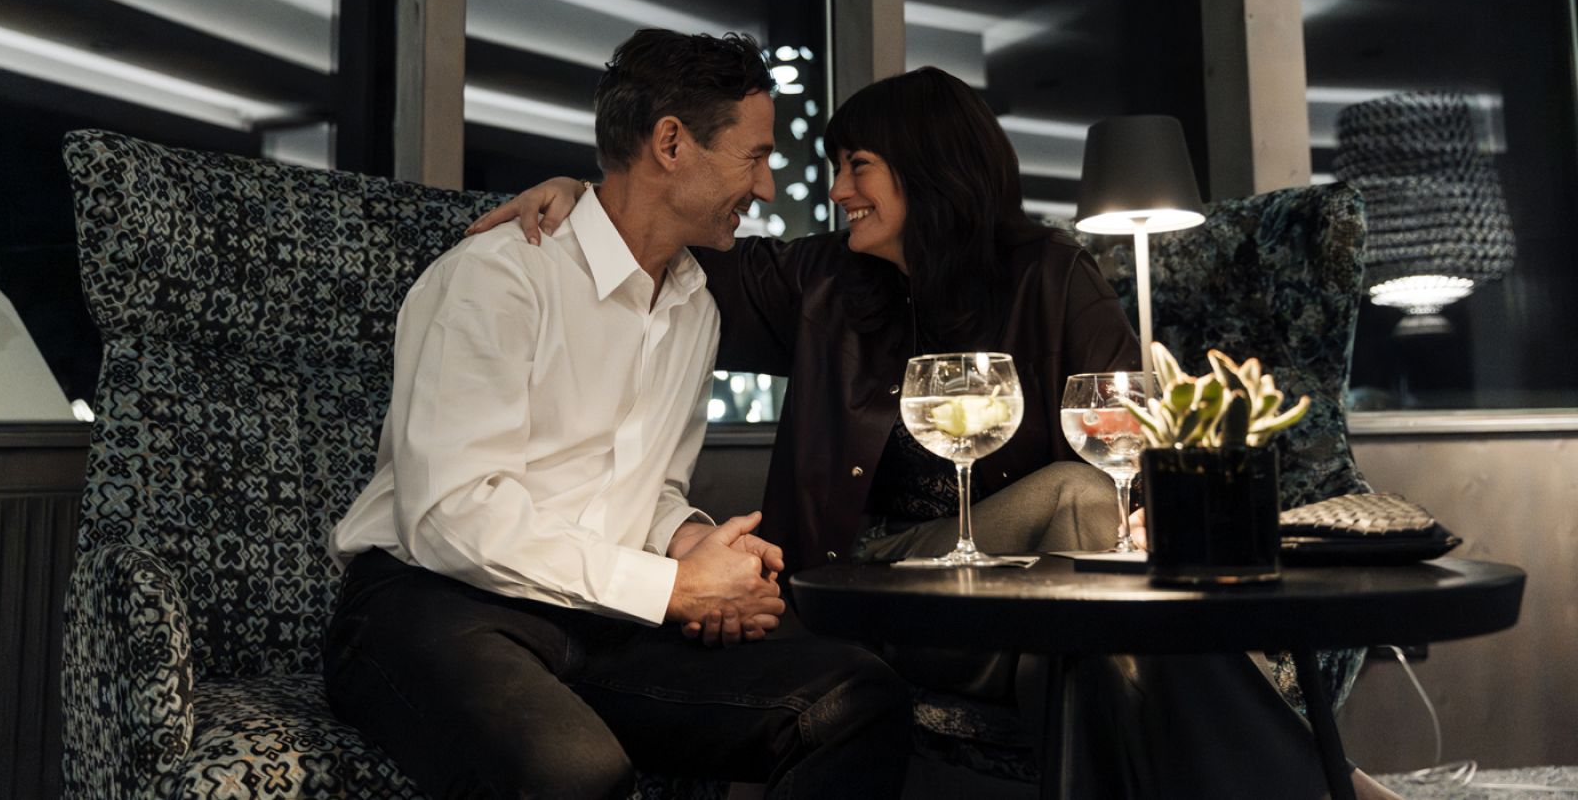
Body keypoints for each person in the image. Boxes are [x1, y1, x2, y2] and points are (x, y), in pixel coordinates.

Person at [469, 66, 1405, 800]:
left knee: (1089, 650)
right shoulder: (820, 279)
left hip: (1010, 605)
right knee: (1080, 505)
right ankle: (1328, 784)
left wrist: (1154, 512)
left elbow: (1136, 422)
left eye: (857, 167)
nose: (836, 189)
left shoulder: (1047, 272)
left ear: (926, 169)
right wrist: (584, 192)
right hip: (855, 586)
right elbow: (656, 238)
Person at [326, 29, 910, 800]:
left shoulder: (695, 307)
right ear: (670, 143)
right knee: (575, 772)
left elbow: (648, 487)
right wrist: (671, 587)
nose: (768, 188)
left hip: (598, 619)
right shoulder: (497, 279)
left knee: (858, 698)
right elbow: (449, 516)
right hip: (431, 603)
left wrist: (690, 540)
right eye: (755, 156)